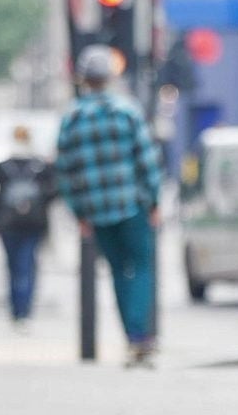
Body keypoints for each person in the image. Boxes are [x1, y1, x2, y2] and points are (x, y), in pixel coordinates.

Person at [55, 45, 163, 367]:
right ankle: (140, 336)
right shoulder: (127, 111)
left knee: (118, 271)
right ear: (111, 77)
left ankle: (132, 336)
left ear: (84, 80)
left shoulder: (72, 118)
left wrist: (79, 213)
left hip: (96, 211)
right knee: (141, 267)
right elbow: (147, 159)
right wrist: (153, 200)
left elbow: (65, 170)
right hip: (132, 206)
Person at [0, 126, 58, 329]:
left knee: (13, 265)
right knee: (27, 265)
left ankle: (16, 309)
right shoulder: (40, 167)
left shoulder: (3, 167)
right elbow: (58, 186)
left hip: (7, 222)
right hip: (34, 223)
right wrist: (41, 203)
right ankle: (25, 310)